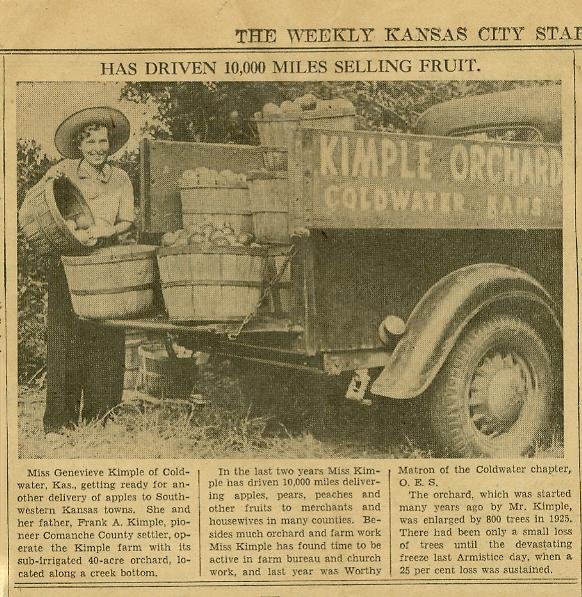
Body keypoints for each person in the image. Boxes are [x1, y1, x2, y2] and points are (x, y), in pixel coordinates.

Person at [40, 106, 135, 439]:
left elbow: (127, 221)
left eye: (104, 141)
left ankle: (101, 416)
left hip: (105, 262)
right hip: (68, 263)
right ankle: (59, 423)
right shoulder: (63, 172)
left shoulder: (120, 178)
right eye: (91, 142)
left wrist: (104, 232)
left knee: (107, 337)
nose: (98, 148)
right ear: (79, 145)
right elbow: (45, 203)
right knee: (66, 339)